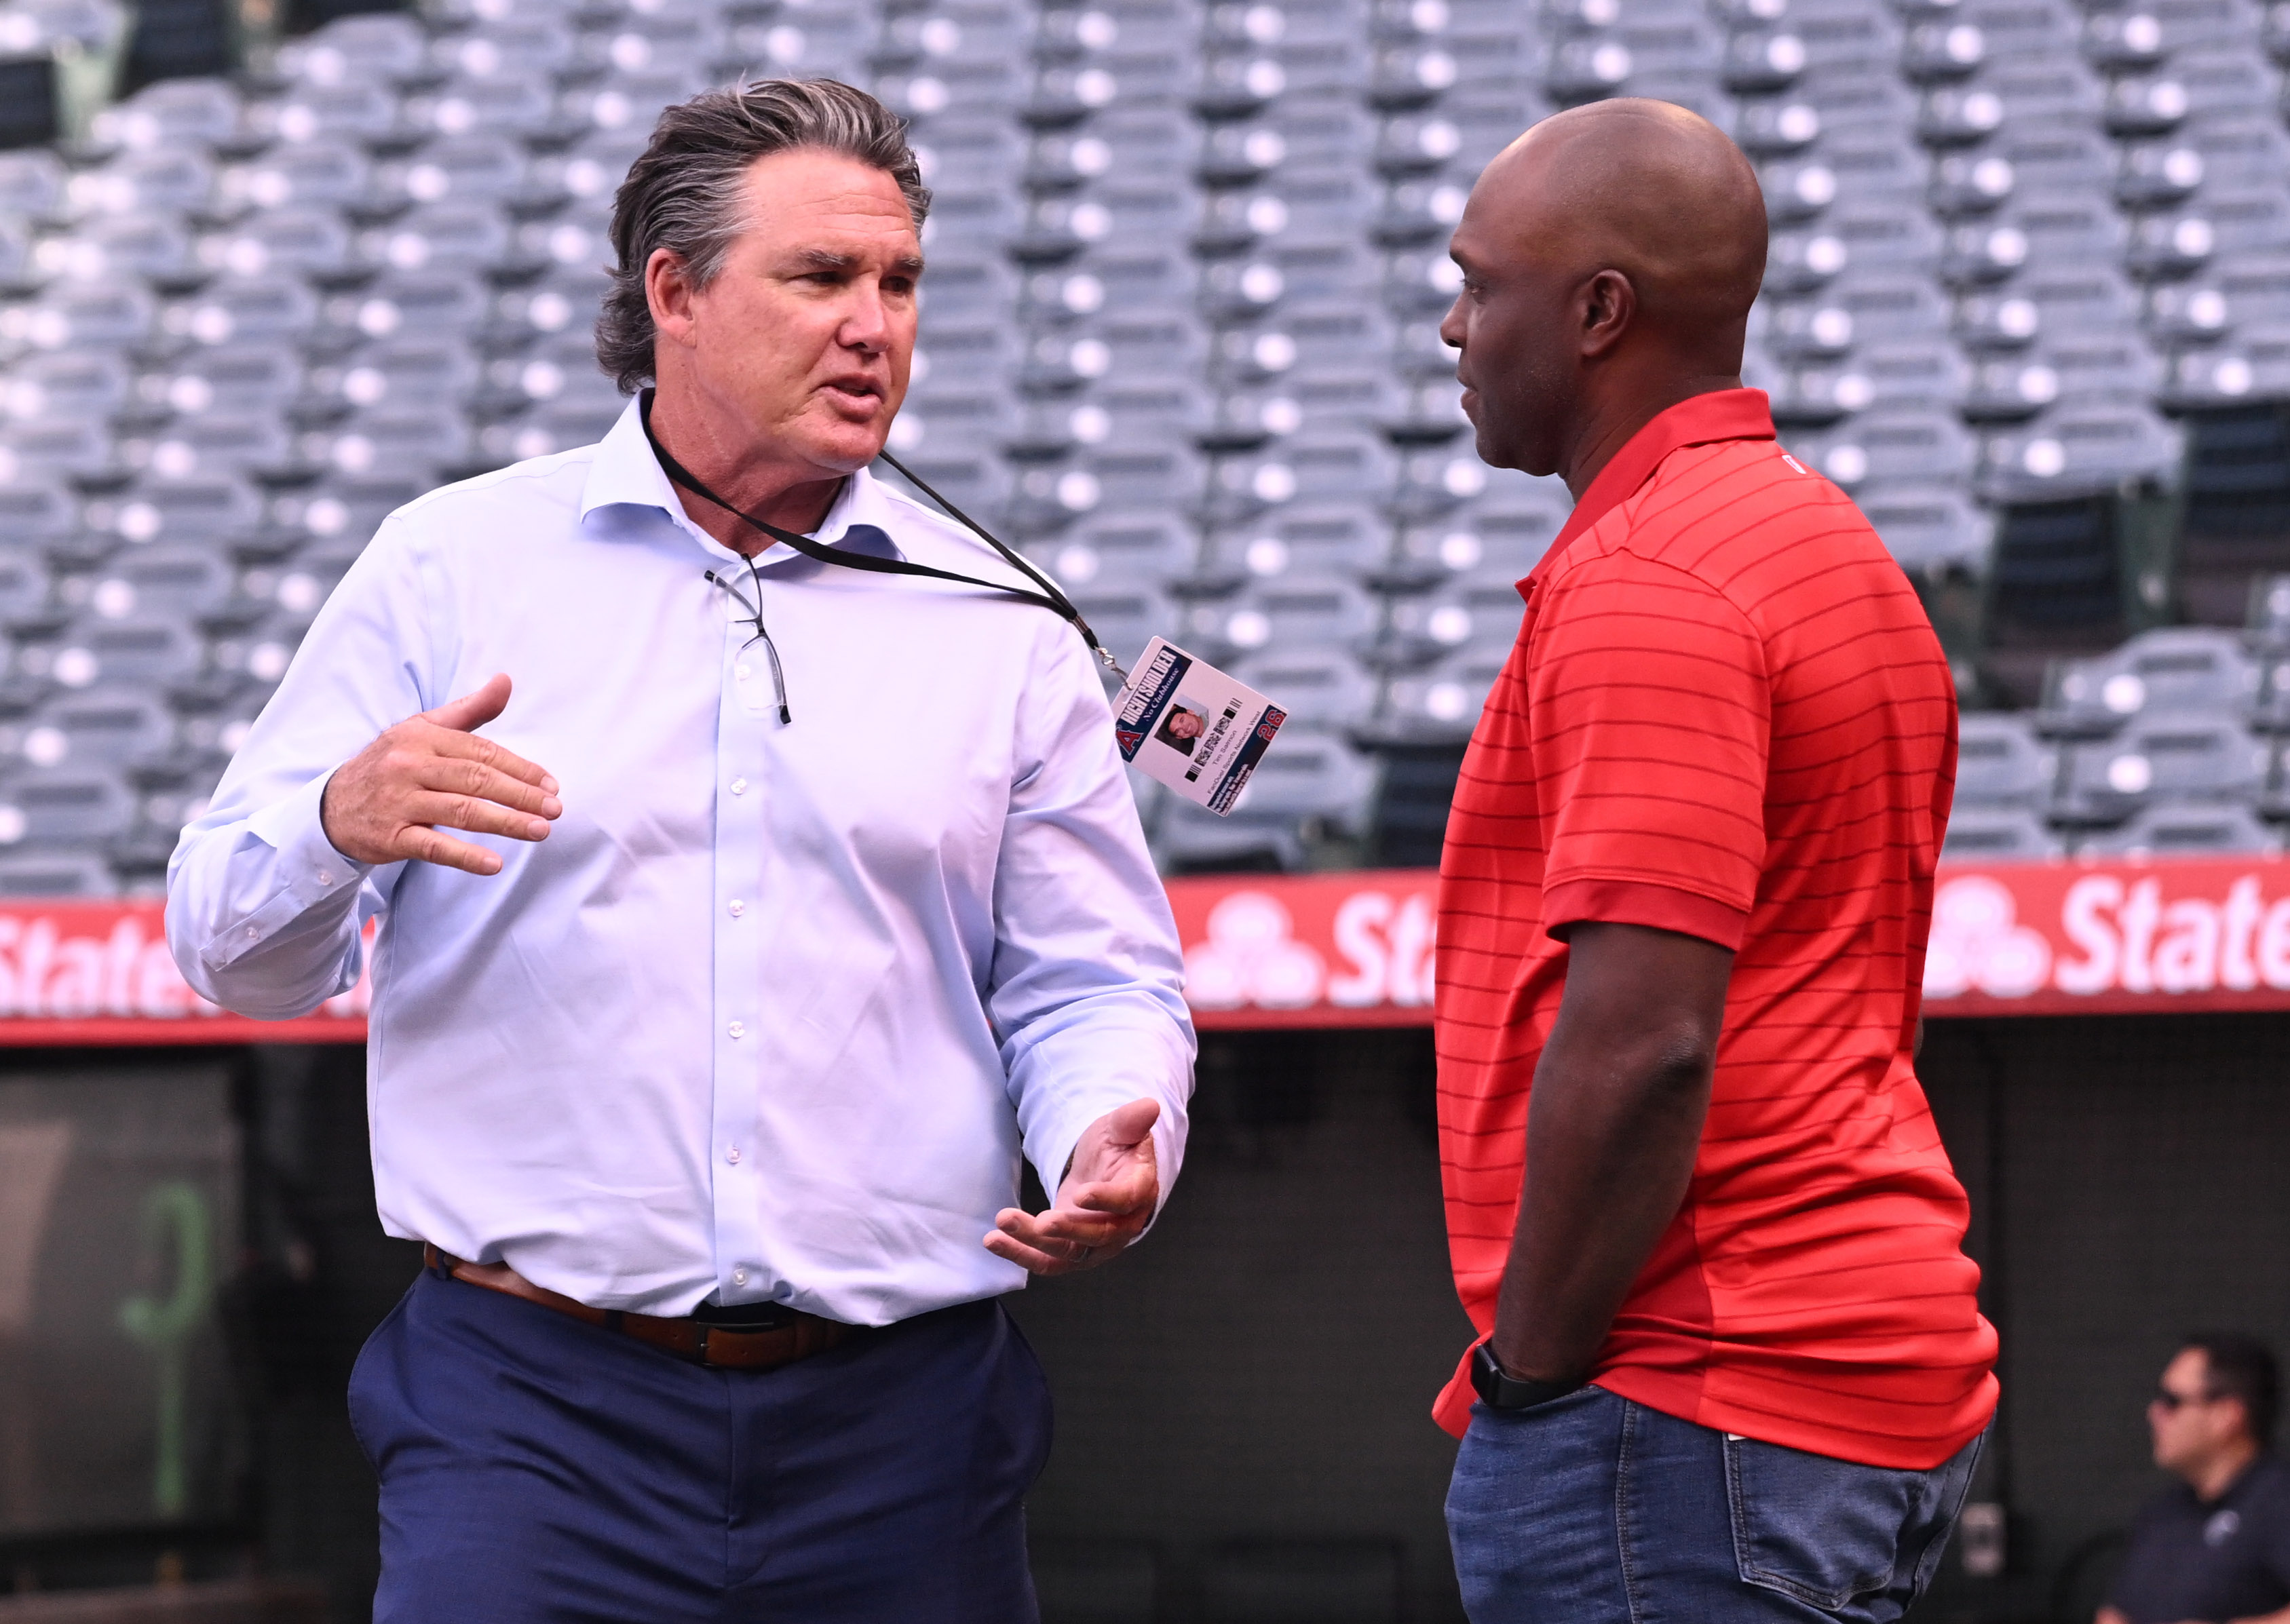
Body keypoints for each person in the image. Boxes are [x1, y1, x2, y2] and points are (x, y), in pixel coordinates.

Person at [166, 80, 1194, 1623]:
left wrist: (1121, 1121)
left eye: (899, 283)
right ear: (676, 295)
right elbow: (229, 956)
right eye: (822, 278)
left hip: (900, 1426)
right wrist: (330, 826)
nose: (874, 326)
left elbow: (1088, 977)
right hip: (531, 1418)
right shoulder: (450, 565)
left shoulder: (1004, 624)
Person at [1430, 98, 2000, 1619]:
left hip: (1696, 1395)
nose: (1452, 326)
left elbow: (1646, 1039)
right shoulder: (1819, 540)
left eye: (1481, 285)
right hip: (1834, 1375)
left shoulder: (1652, 581)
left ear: (1597, 312)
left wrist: (1530, 1374)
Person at [2101, 1335, 2290, 1624]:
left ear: (2226, 1416)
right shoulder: (2164, 1511)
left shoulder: (2278, 1502)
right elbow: (2116, 1611)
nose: (2155, 1413)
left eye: (2172, 1401)